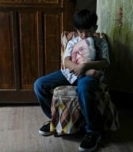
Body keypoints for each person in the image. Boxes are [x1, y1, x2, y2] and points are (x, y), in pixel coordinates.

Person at [34, 9, 110, 152]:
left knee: (84, 89)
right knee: (39, 84)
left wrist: (86, 66)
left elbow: (105, 62)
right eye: (80, 31)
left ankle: (93, 131)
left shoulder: (101, 43)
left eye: (87, 31)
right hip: (69, 73)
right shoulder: (73, 41)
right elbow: (66, 61)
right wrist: (81, 68)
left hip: (89, 77)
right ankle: (55, 120)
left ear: (95, 28)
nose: (83, 35)